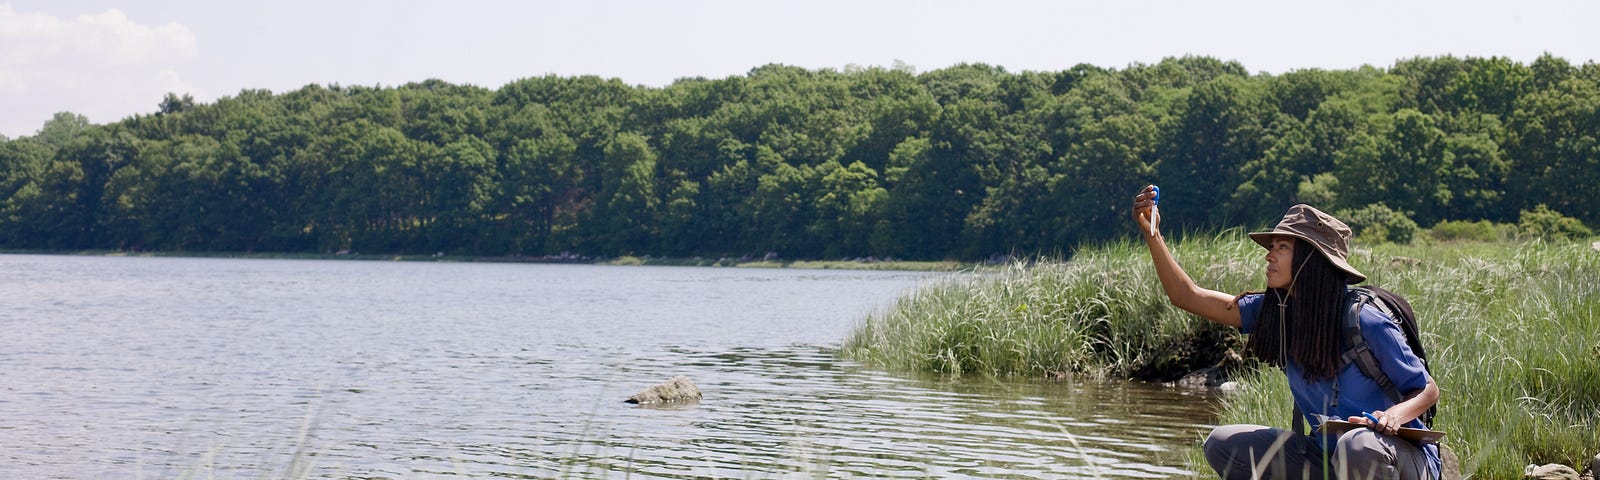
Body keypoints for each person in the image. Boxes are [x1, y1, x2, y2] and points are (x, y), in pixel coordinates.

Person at [1130, 185, 1441, 480]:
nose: (1269, 255)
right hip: (1326, 458)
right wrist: (1153, 235)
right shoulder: (1275, 313)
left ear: (1310, 259)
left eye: (1282, 247)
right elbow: (1187, 296)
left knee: (1357, 445)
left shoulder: (1366, 320)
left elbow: (1427, 390)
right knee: (1223, 444)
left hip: (1398, 459)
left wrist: (1394, 416)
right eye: (1272, 246)